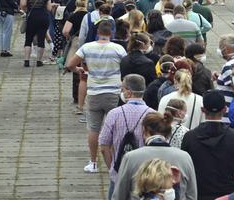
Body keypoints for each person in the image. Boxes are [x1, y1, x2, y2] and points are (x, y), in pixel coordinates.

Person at [66, 21, 128, 174]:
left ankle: (93, 162)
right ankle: (114, 161)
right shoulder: (118, 49)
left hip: (94, 92)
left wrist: (79, 69)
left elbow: (70, 64)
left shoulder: (87, 48)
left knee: (94, 128)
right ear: (111, 33)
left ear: (97, 32)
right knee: (114, 128)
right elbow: (126, 66)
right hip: (113, 92)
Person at [112, 112, 198, 200]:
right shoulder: (184, 157)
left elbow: (119, 195)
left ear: (144, 131)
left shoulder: (130, 157)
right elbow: (192, 195)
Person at [181, 90, 234, 200]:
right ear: (225, 109)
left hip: (199, 194)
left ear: (202, 110)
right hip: (229, 195)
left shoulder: (190, 137)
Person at [98, 75, 155, 197]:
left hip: (119, 173)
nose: (121, 92)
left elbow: (104, 146)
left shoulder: (114, 114)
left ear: (128, 92)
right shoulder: (153, 114)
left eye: (122, 89)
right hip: (144, 175)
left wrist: (112, 168)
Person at [20, 0, 53, 67]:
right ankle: (39, 61)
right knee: (41, 39)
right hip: (43, 17)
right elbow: (49, 8)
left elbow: (23, 4)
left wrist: (27, 10)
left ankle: (26, 60)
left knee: (28, 39)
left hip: (31, 17)